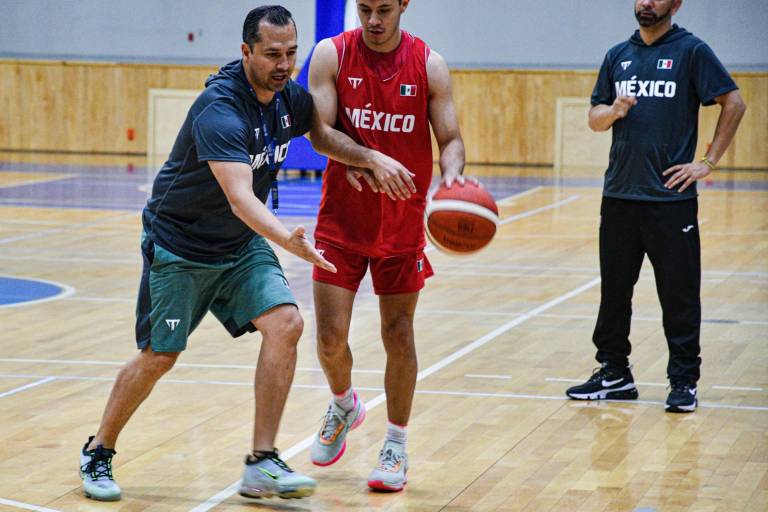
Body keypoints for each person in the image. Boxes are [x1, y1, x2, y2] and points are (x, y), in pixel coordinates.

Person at [77, 5, 335, 502]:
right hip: (181, 246)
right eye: (271, 55)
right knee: (159, 356)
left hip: (238, 246)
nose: (283, 65)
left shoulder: (288, 99)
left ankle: (261, 462)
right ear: (245, 52)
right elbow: (241, 200)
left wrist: (369, 159)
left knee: (286, 324)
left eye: (290, 53)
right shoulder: (220, 110)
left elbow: (321, 135)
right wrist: (288, 240)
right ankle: (98, 450)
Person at [307, 0, 467, 492]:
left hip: (401, 222)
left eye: (383, 9)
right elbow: (319, 133)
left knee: (398, 334)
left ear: (403, 5)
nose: (373, 20)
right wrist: (371, 158)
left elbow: (451, 139)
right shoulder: (330, 55)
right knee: (331, 339)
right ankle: (343, 404)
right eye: (364, 9)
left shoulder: (429, 64)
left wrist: (453, 177)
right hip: (341, 220)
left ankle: (396, 443)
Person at [566, 0, 745, 412]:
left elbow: (734, 103)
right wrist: (613, 110)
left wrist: (707, 162)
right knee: (614, 293)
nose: (646, 2)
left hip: (670, 201)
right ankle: (614, 372)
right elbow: (595, 117)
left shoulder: (691, 51)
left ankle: (683, 381)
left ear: (676, 4)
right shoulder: (618, 55)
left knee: (679, 295)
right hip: (619, 197)